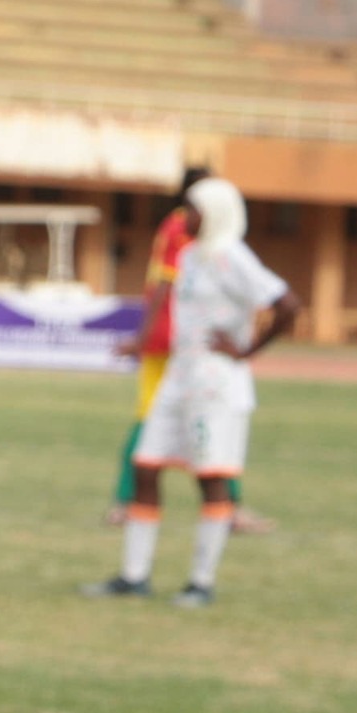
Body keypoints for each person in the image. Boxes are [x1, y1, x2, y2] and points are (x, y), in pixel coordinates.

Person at [83, 177, 302, 607]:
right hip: (179, 377)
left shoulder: (232, 258)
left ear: (216, 213)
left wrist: (245, 352)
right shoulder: (189, 256)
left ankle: (201, 583)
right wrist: (142, 342)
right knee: (146, 466)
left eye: (194, 208)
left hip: (215, 385)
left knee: (211, 479)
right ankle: (134, 576)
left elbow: (288, 304)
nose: (187, 216)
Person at [104, 171, 276, 535]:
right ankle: (130, 502)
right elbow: (165, 286)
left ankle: (221, 508)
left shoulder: (204, 238)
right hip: (175, 341)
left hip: (181, 342)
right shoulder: (182, 230)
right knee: (156, 419)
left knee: (184, 424)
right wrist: (144, 338)